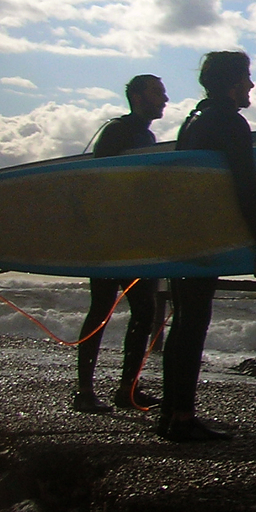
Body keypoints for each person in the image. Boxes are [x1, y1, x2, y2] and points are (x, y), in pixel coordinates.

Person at [163, 51, 256, 442]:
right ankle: (181, 419)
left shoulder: (193, 121)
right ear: (233, 83)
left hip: (182, 233)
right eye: (247, 77)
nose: (251, 85)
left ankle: (172, 414)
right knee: (192, 324)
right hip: (204, 236)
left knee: (182, 324)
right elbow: (246, 188)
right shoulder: (231, 123)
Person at [74, 75, 167, 414]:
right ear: (136, 96)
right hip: (110, 237)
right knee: (101, 308)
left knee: (144, 311)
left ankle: (127, 389)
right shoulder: (117, 131)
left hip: (133, 237)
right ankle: (84, 390)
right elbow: (102, 183)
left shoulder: (146, 135)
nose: (165, 98)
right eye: (157, 92)